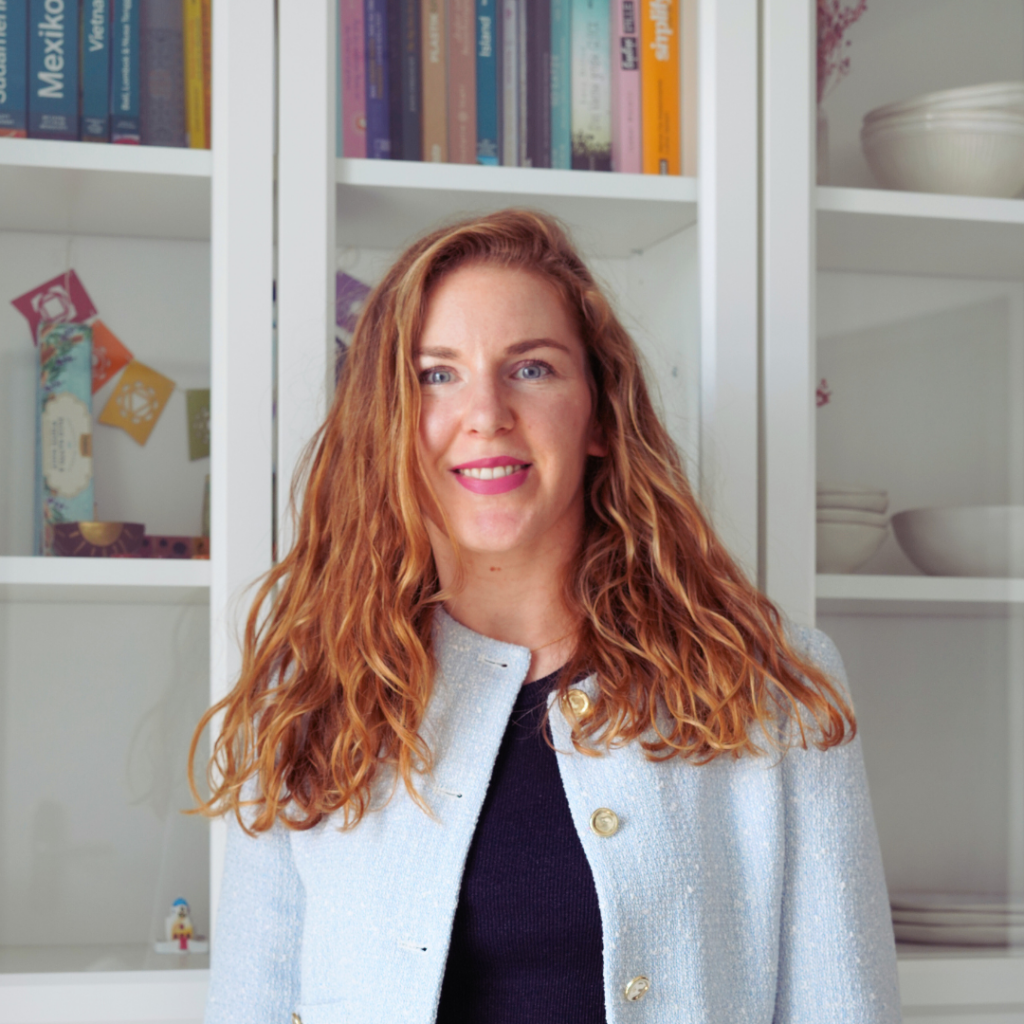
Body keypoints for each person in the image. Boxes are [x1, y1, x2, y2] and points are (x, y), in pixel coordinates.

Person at [192, 209, 901, 1024]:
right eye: (435, 375)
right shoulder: (309, 697)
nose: (486, 412)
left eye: (531, 369)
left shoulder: (770, 688)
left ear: (599, 415)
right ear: (385, 425)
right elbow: (250, 1003)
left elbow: (845, 1007)